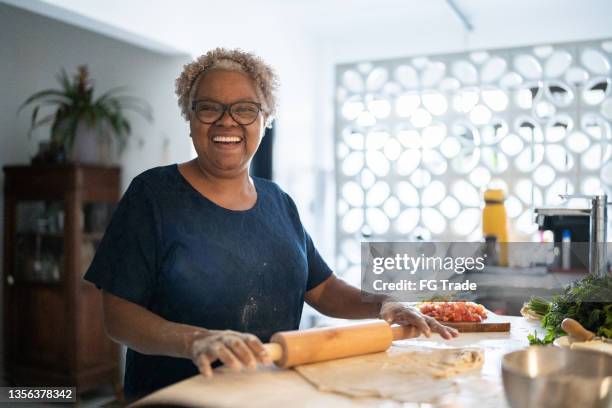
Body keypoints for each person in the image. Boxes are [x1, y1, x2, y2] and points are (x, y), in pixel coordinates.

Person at [84, 48, 459, 401]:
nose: (226, 120)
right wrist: (196, 340)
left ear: (265, 119)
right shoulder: (153, 195)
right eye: (208, 108)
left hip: (269, 396)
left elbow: (324, 288)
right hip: (176, 398)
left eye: (245, 109)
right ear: (190, 118)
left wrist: (384, 305)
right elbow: (119, 318)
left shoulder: (278, 202)